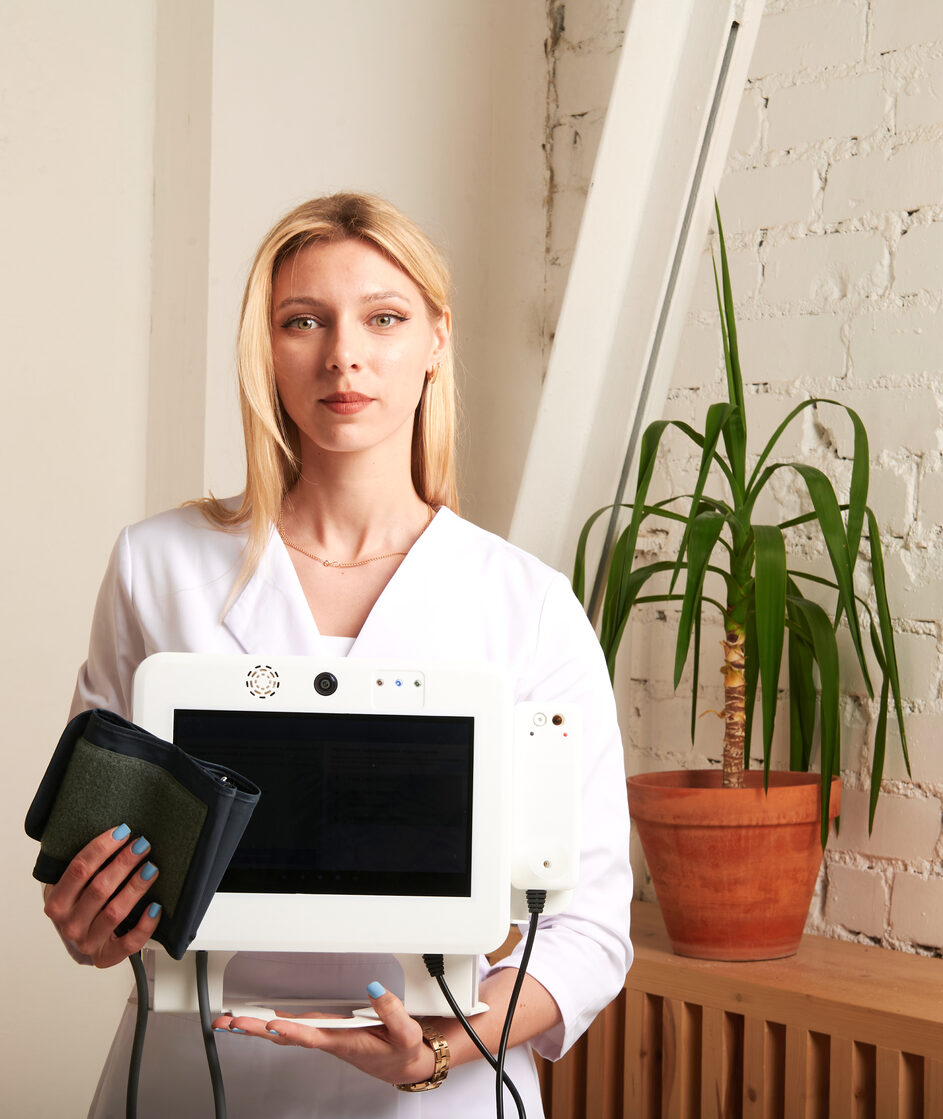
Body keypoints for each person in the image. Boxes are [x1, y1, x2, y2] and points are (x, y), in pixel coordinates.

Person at [41, 192, 632, 1117]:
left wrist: (440, 1048)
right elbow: (95, 848)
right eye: (303, 321)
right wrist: (90, 921)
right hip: (196, 1072)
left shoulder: (529, 605)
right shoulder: (157, 566)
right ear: (265, 348)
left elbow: (588, 927)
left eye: (383, 318)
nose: (342, 355)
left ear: (436, 339)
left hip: (435, 1093)